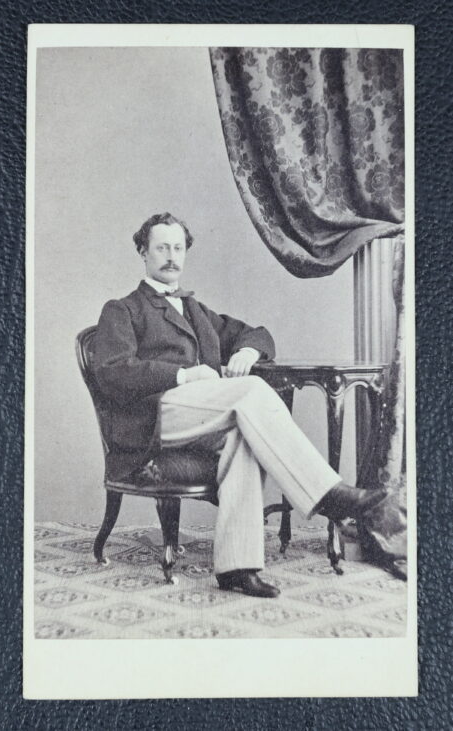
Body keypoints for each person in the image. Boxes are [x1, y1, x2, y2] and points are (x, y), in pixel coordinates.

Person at [93, 212, 386, 598]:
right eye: (162, 248)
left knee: (243, 439)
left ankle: (237, 567)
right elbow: (112, 372)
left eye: (178, 248)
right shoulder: (122, 309)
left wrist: (247, 351)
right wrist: (182, 376)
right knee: (249, 392)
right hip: (153, 419)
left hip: (199, 418)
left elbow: (257, 334)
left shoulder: (195, 310)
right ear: (143, 252)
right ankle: (328, 494)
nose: (171, 256)